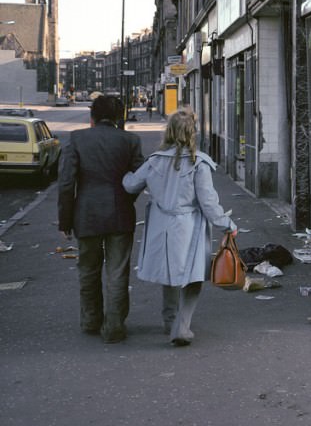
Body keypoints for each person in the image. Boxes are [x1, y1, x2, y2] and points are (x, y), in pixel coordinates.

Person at [122, 107, 237, 346]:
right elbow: (208, 202)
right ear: (192, 131)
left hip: (160, 225)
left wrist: (123, 175)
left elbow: (131, 185)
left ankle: (169, 321)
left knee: (170, 274)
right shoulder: (198, 163)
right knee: (192, 276)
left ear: (170, 131)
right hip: (188, 226)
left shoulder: (154, 161)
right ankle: (181, 327)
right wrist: (226, 224)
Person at [58, 95, 144, 343]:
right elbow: (140, 177)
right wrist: (128, 199)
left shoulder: (77, 139)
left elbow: (66, 184)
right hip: (120, 213)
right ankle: (114, 327)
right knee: (117, 272)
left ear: (92, 117)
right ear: (119, 117)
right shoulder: (130, 140)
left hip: (86, 214)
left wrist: (65, 220)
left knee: (88, 270)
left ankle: (91, 320)